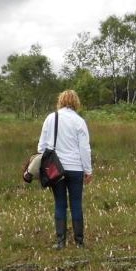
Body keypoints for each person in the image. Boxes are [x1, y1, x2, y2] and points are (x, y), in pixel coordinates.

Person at [38, 90, 92, 249]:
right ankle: (79, 242)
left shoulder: (50, 118)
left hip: (56, 169)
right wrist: (88, 170)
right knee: (76, 203)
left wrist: (44, 165)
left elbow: (41, 146)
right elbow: (84, 148)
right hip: (76, 168)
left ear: (60, 101)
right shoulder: (79, 121)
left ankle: (60, 242)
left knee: (60, 204)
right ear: (76, 102)